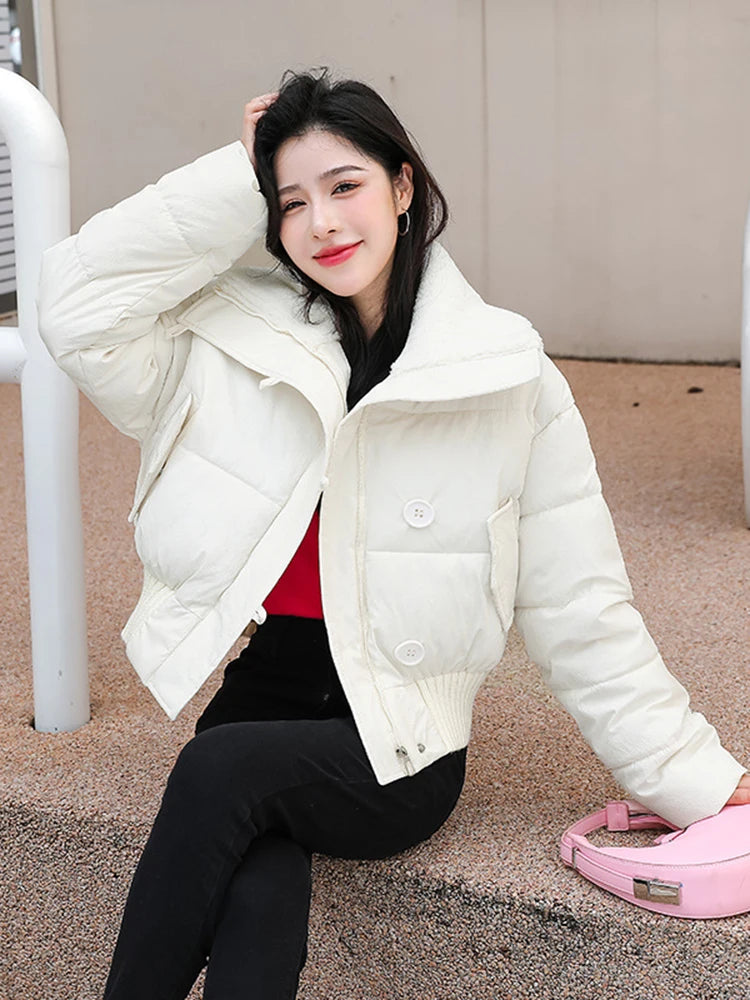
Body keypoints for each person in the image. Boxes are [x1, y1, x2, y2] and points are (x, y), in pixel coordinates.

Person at [36, 68, 748, 1000]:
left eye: (345, 186)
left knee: (220, 774)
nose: (323, 223)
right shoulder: (229, 347)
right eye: (291, 202)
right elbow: (74, 305)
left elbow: (580, 603)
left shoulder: (505, 374)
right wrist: (229, 180)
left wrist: (694, 775)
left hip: (399, 739)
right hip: (264, 692)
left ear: (403, 186)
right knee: (256, 875)